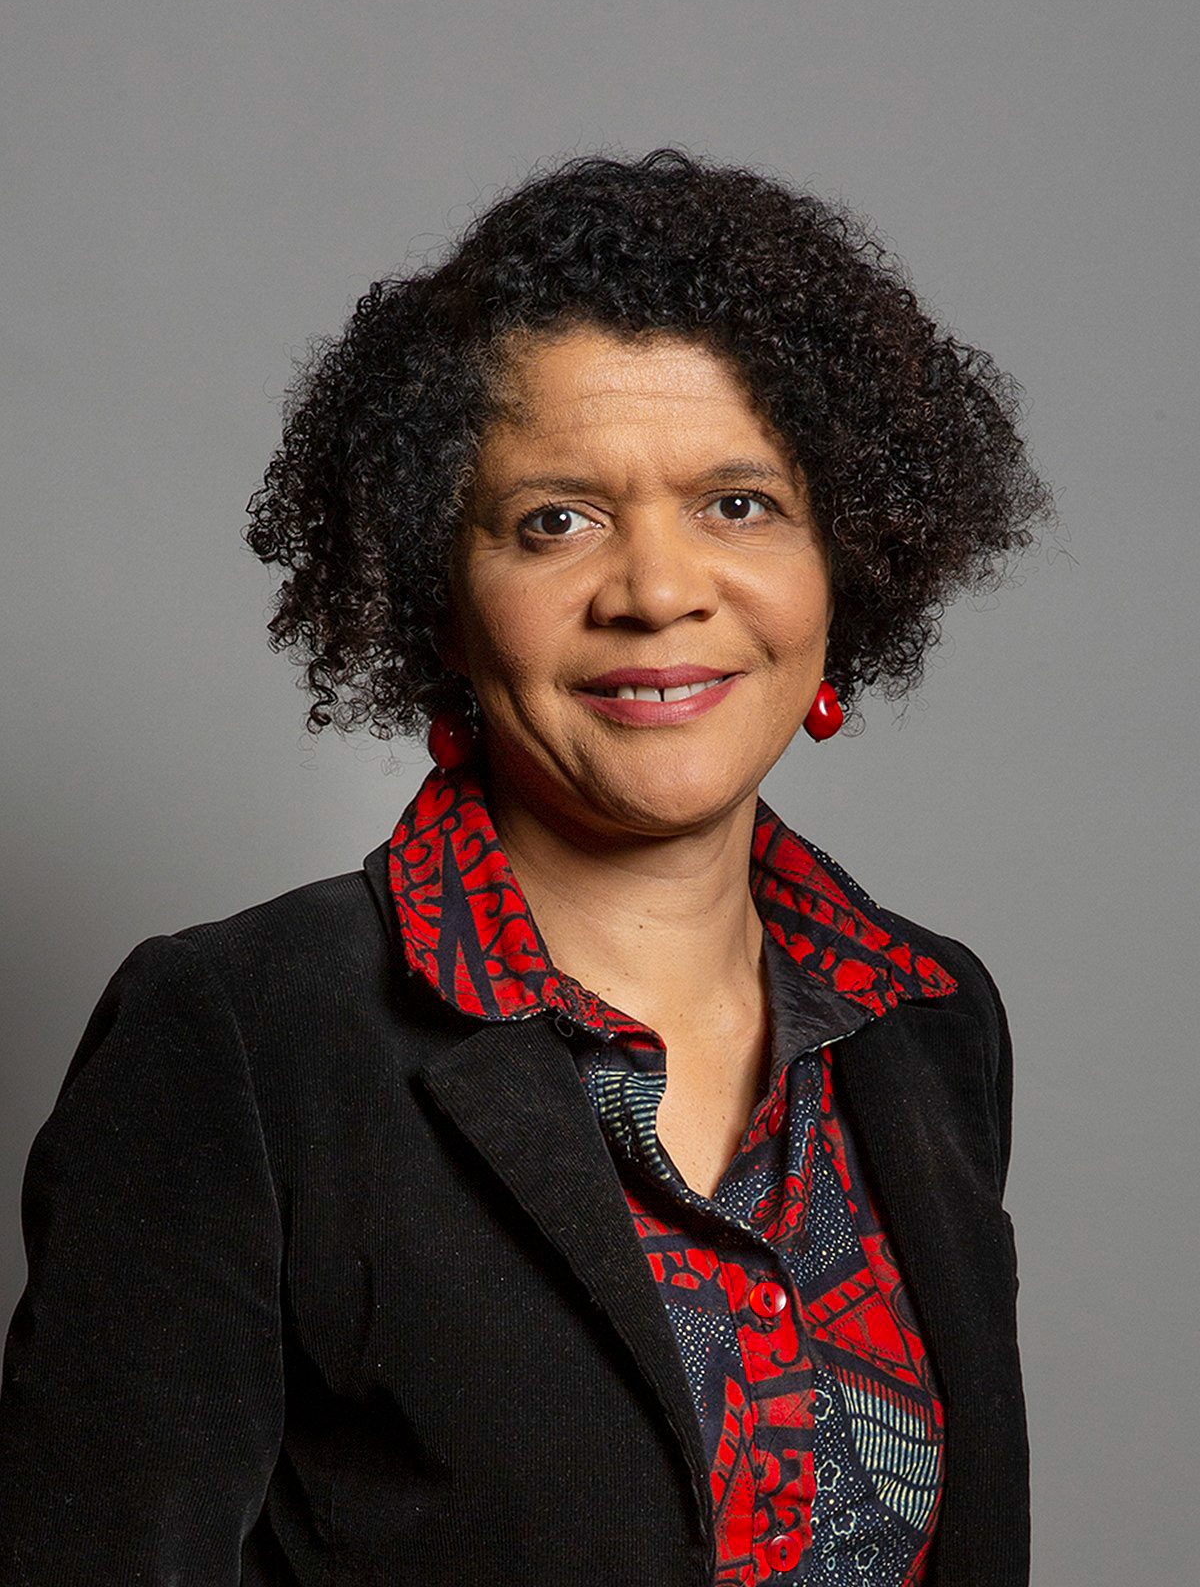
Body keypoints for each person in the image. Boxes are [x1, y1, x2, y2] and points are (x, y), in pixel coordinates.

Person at [0, 148, 1051, 1586]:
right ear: (441, 598)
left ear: (842, 566)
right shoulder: (239, 1039)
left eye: (739, 504)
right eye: (556, 520)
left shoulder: (929, 1022)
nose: (658, 590)